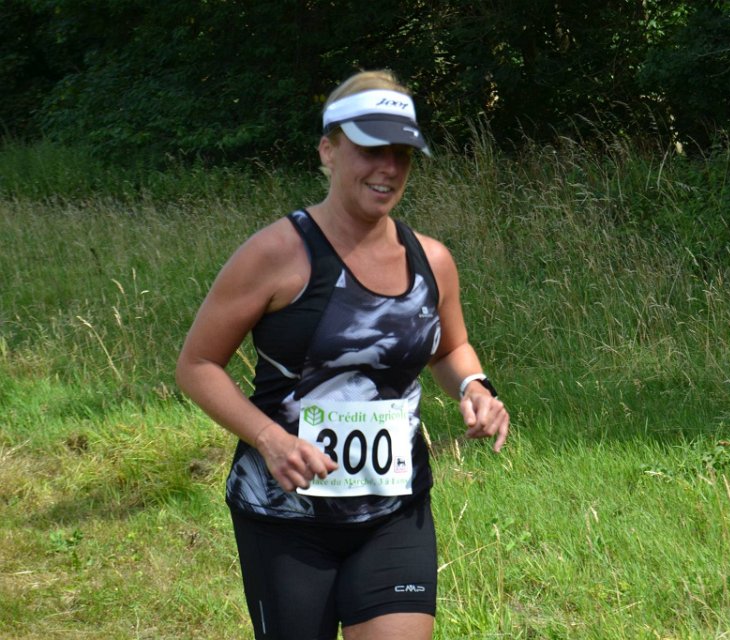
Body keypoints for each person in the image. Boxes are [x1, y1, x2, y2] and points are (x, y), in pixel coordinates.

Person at [175, 69, 509, 640]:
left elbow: (450, 347)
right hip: (286, 514)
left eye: (402, 153)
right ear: (328, 150)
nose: (389, 168)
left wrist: (473, 386)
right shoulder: (277, 253)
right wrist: (270, 439)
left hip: (394, 508)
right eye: (371, 149)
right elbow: (197, 365)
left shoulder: (432, 260)